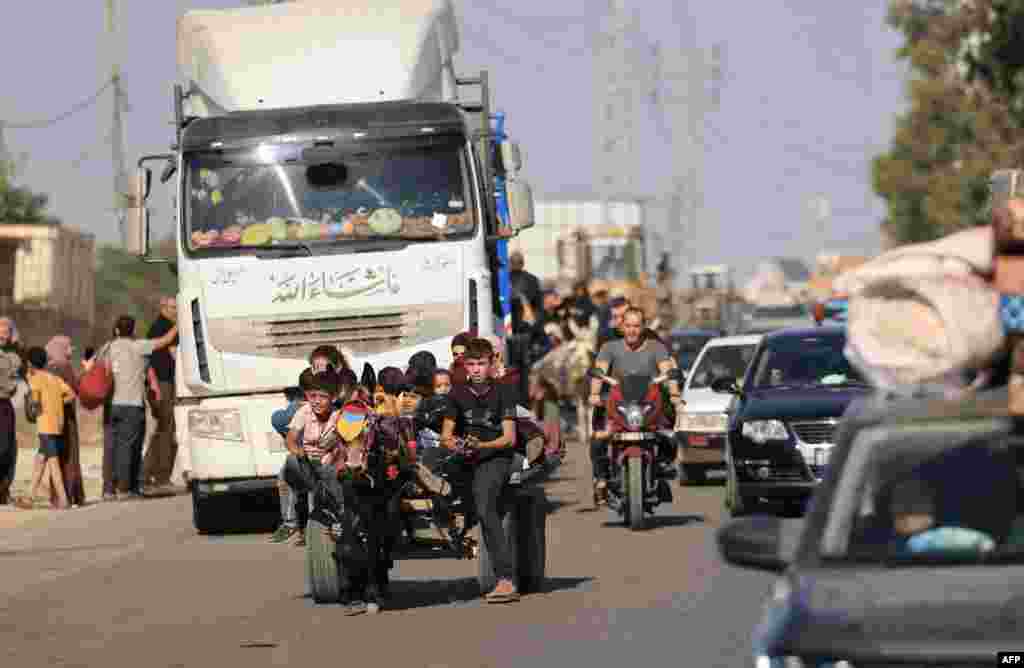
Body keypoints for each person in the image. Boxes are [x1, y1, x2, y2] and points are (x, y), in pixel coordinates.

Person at [440, 337, 520, 604]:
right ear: (464, 365)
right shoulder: (456, 394)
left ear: (491, 363)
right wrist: (459, 445)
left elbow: (509, 438)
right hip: (464, 457)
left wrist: (482, 445)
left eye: (480, 364)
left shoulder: (504, 392)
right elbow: (446, 436)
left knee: (487, 509)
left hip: (495, 458)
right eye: (470, 364)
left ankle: (505, 579)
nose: (475, 369)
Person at [589, 307, 682, 501]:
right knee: (599, 437)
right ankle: (601, 478)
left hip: (648, 406)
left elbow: (668, 371)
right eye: (628, 326)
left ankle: (662, 468)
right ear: (622, 327)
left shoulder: (656, 347)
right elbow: (599, 370)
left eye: (636, 326)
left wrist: (674, 394)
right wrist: (595, 393)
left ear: (643, 327)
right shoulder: (609, 347)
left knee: (669, 435)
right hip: (618, 406)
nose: (632, 330)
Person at [105, 315, 179, 499]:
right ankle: (125, 489)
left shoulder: (108, 348)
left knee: (115, 447)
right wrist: (180, 321)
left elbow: (102, 371)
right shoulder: (139, 346)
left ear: (116, 330)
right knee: (131, 448)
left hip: (113, 405)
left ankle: (112, 489)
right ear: (133, 330)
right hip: (133, 406)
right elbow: (166, 340)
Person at [280, 368, 343, 547]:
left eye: (322, 397)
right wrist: (301, 453)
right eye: (313, 395)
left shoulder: (340, 415)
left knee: (334, 472)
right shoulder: (304, 412)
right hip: (307, 465)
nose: (316, 401)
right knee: (290, 462)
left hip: (331, 464)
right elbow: (291, 440)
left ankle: (341, 515)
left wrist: (332, 455)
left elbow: (346, 443)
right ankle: (298, 524)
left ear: (333, 397)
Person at [17, 347, 75, 510]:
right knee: (40, 460)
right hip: (58, 424)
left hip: (46, 425)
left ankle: (63, 499)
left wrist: (35, 408)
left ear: (30, 363)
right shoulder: (54, 378)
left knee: (53, 462)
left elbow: (35, 400)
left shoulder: (36, 378)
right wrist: (57, 403)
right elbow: (71, 394)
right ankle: (29, 496)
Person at [142, 296, 180, 493]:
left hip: (164, 383)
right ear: (163, 307)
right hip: (163, 384)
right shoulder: (164, 327)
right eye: (172, 307)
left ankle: (152, 475)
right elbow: (175, 355)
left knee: (164, 430)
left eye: (176, 307)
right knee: (165, 430)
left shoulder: (162, 325)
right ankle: (158, 476)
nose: (175, 311)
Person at [45, 335, 85, 507]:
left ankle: (57, 497)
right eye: (68, 347)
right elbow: (76, 389)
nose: (70, 351)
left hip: (51, 419)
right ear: (61, 348)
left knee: (56, 456)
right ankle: (70, 494)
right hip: (66, 418)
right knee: (70, 455)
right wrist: (86, 371)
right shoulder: (65, 367)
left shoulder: (47, 368)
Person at [0, 318, 23, 505]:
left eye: (6, 330)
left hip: (5, 405)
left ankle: (4, 490)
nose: (2, 333)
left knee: (8, 449)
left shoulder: (14, 354)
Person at [509, 250, 543, 321]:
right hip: (522, 316)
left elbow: (538, 302)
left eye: (517, 262)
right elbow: (538, 302)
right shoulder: (532, 279)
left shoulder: (503, 279)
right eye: (514, 262)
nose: (516, 264)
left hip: (522, 316)